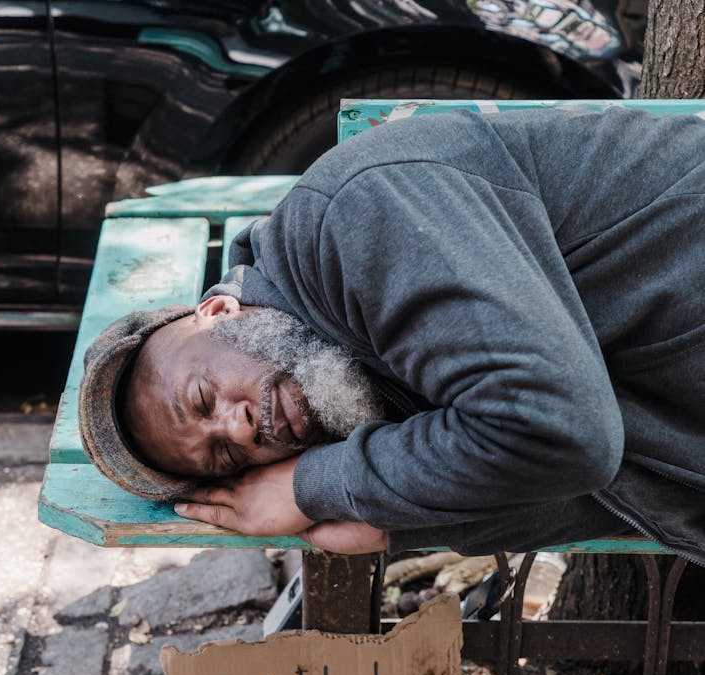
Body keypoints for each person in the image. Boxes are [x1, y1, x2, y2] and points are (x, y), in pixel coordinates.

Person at [79, 106, 705, 564]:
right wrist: (388, 529)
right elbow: (601, 481)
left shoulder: (355, 217)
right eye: (227, 457)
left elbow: (560, 435)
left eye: (202, 397)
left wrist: (313, 486)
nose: (241, 429)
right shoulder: (363, 376)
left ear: (218, 311)